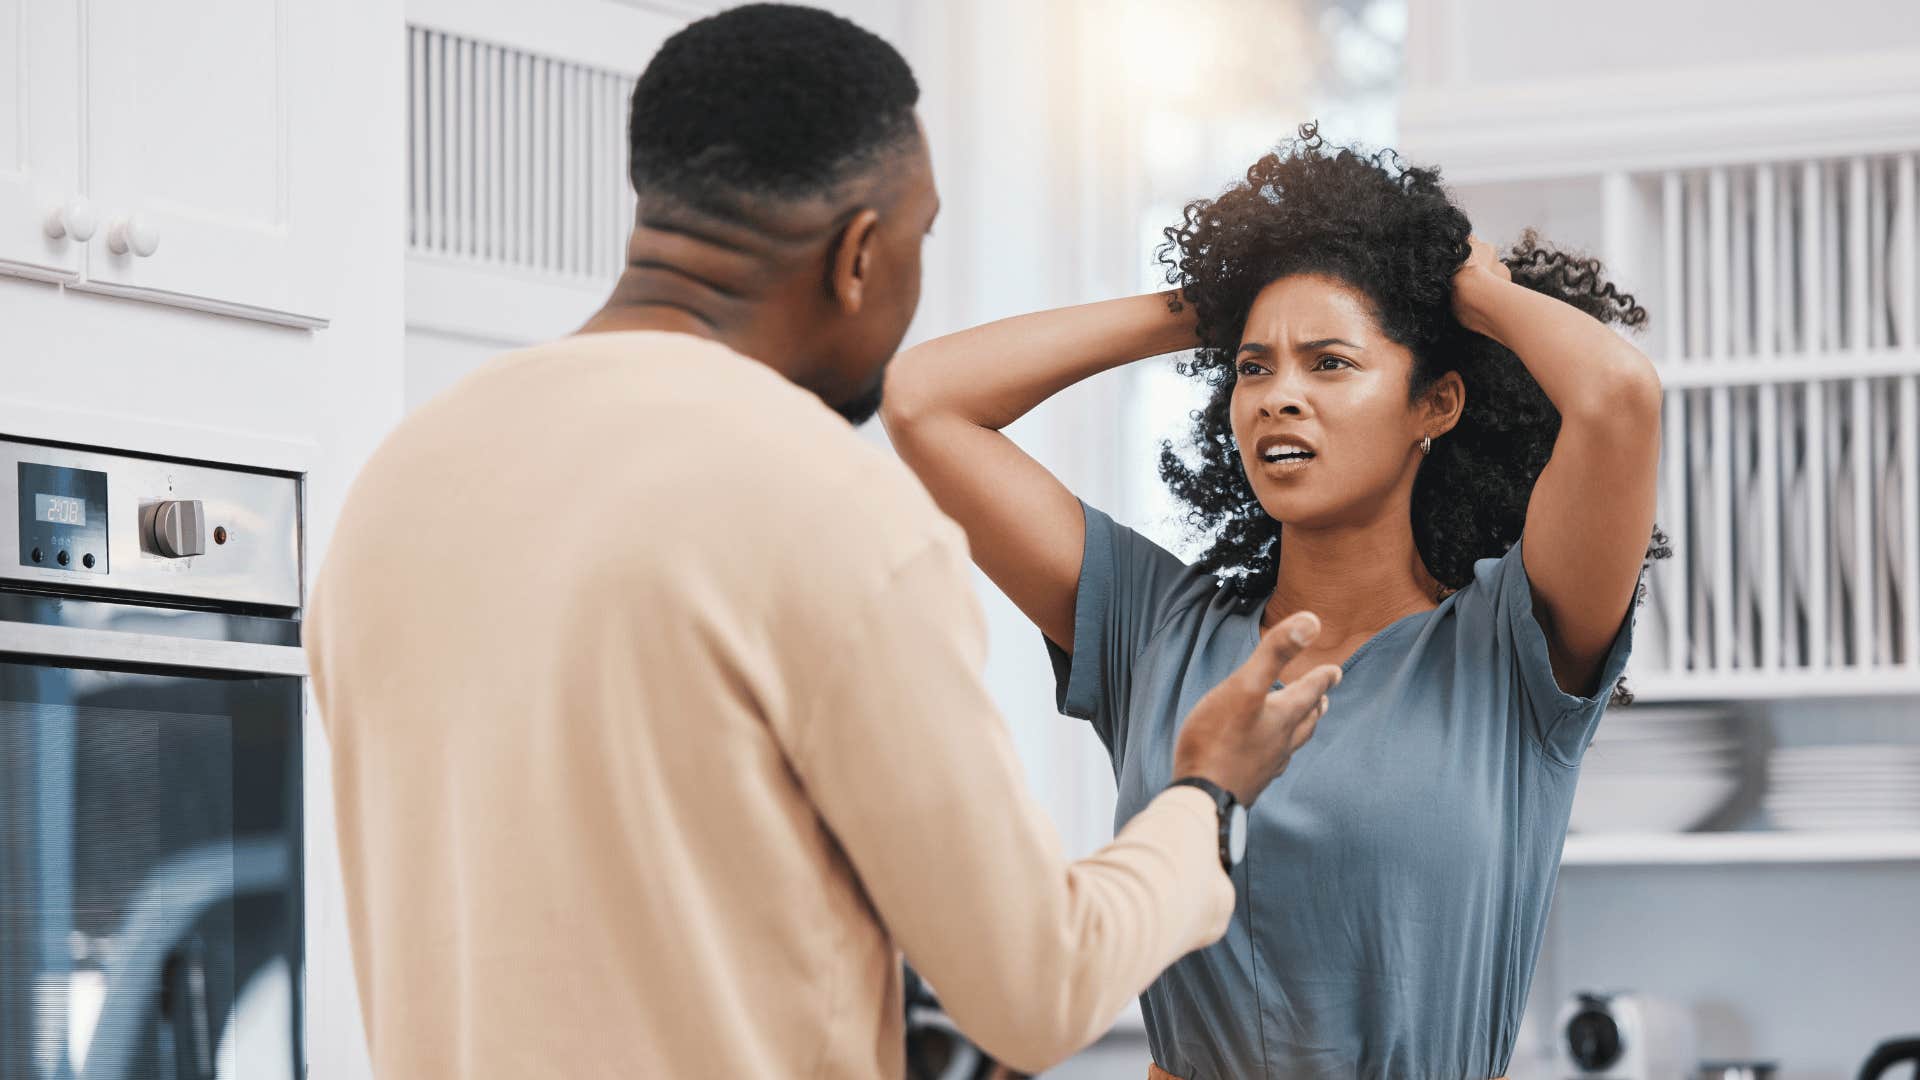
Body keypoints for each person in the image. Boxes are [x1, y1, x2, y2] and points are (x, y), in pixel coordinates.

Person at [304, 7, 1340, 1078]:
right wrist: (1206, 797)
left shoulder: (398, 482)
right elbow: (1038, 987)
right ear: (858, 254)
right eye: (921, 239)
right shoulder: (824, 502)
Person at [881, 125, 1669, 1080]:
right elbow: (923, 400)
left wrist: (1471, 294)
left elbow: (1619, 397)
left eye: (1329, 363)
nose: (1276, 397)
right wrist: (1211, 302)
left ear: (1438, 405)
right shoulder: (1157, 630)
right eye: (1254, 368)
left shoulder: (1512, 650)